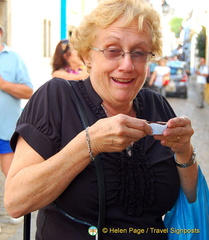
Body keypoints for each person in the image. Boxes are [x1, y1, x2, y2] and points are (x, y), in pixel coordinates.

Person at [4, 1, 198, 239]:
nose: (127, 65)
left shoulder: (158, 106)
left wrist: (184, 150)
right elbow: (16, 202)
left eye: (138, 52)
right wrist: (89, 143)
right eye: (112, 50)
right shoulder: (56, 98)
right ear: (87, 56)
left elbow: (191, 197)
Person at [0, 25, 33, 177]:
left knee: (13, 178)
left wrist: (3, 84)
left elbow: (28, 92)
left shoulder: (14, 58)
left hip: (6, 132)